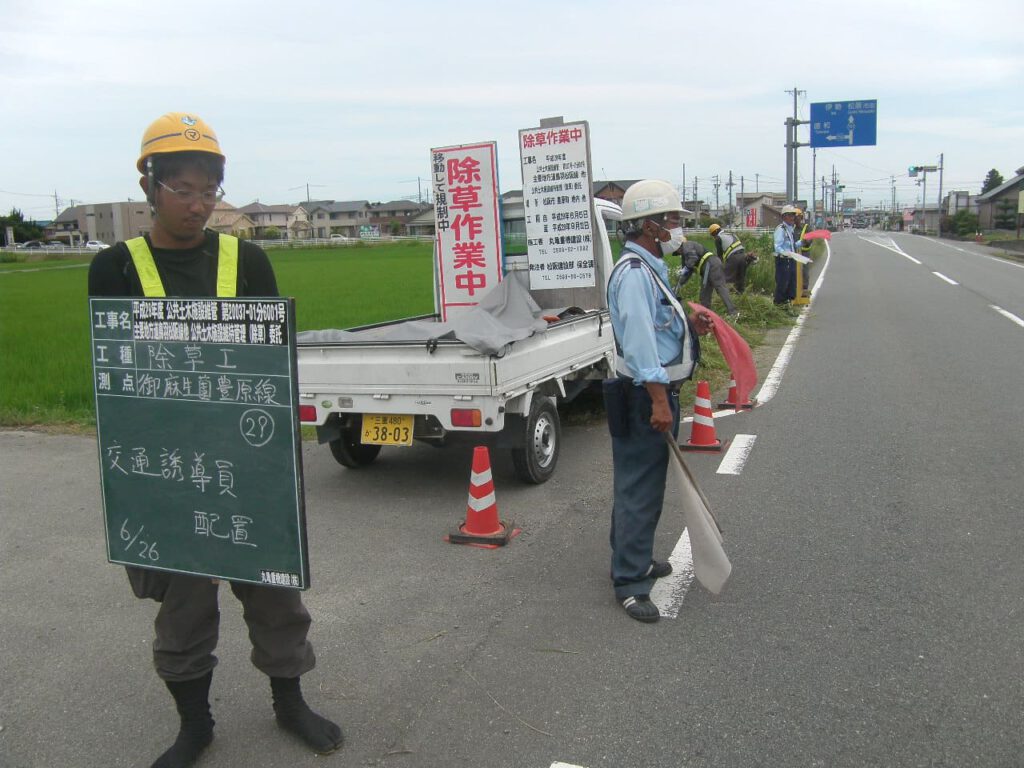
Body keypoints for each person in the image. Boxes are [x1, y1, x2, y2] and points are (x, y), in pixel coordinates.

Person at [88, 112, 343, 768]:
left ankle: (290, 702)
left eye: (210, 191)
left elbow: (272, 365)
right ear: (149, 186)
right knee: (182, 605)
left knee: (274, 592)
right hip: (168, 472)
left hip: (248, 463)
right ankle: (194, 725)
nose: (199, 205)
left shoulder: (246, 260)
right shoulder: (115, 267)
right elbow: (115, 377)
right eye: (184, 189)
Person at [604, 180, 714, 623]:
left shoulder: (648, 270)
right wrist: (658, 401)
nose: (677, 231)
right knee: (637, 487)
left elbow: (658, 323)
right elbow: (640, 344)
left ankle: (635, 559)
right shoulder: (633, 275)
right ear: (649, 226)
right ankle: (630, 581)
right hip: (642, 396)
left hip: (652, 394)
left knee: (643, 485)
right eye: (671, 222)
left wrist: (688, 321)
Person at [675, 239, 738, 317]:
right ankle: (706, 314)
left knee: (720, 287)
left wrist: (686, 267)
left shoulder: (687, 245)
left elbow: (693, 258)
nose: (678, 253)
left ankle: (733, 312)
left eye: (676, 250)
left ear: (678, 245)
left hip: (712, 264)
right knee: (704, 294)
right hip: (706, 269)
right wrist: (679, 284)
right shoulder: (685, 255)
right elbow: (687, 272)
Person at [773, 204, 811, 306]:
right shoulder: (781, 229)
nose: (792, 218)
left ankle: (787, 305)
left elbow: (792, 245)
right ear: (783, 217)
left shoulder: (790, 229)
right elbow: (777, 247)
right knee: (783, 284)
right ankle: (779, 305)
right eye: (789, 215)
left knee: (791, 284)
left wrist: (802, 242)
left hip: (791, 260)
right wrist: (786, 253)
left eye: (793, 215)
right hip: (783, 260)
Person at [709, 222, 756, 293]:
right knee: (740, 278)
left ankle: (723, 295)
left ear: (714, 232)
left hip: (734, 258)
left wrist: (719, 267)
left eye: (713, 235)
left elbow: (720, 255)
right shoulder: (730, 234)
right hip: (743, 256)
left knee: (725, 277)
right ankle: (741, 296)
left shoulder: (718, 238)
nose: (713, 237)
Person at [793, 209, 812, 299]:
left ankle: (804, 291)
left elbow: (810, 239)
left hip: (804, 253)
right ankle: (795, 290)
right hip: (794, 253)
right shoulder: (792, 228)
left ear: (801, 217)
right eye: (793, 217)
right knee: (794, 272)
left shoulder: (807, 227)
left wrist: (804, 242)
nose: (795, 219)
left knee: (804, 272)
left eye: (796, 217)